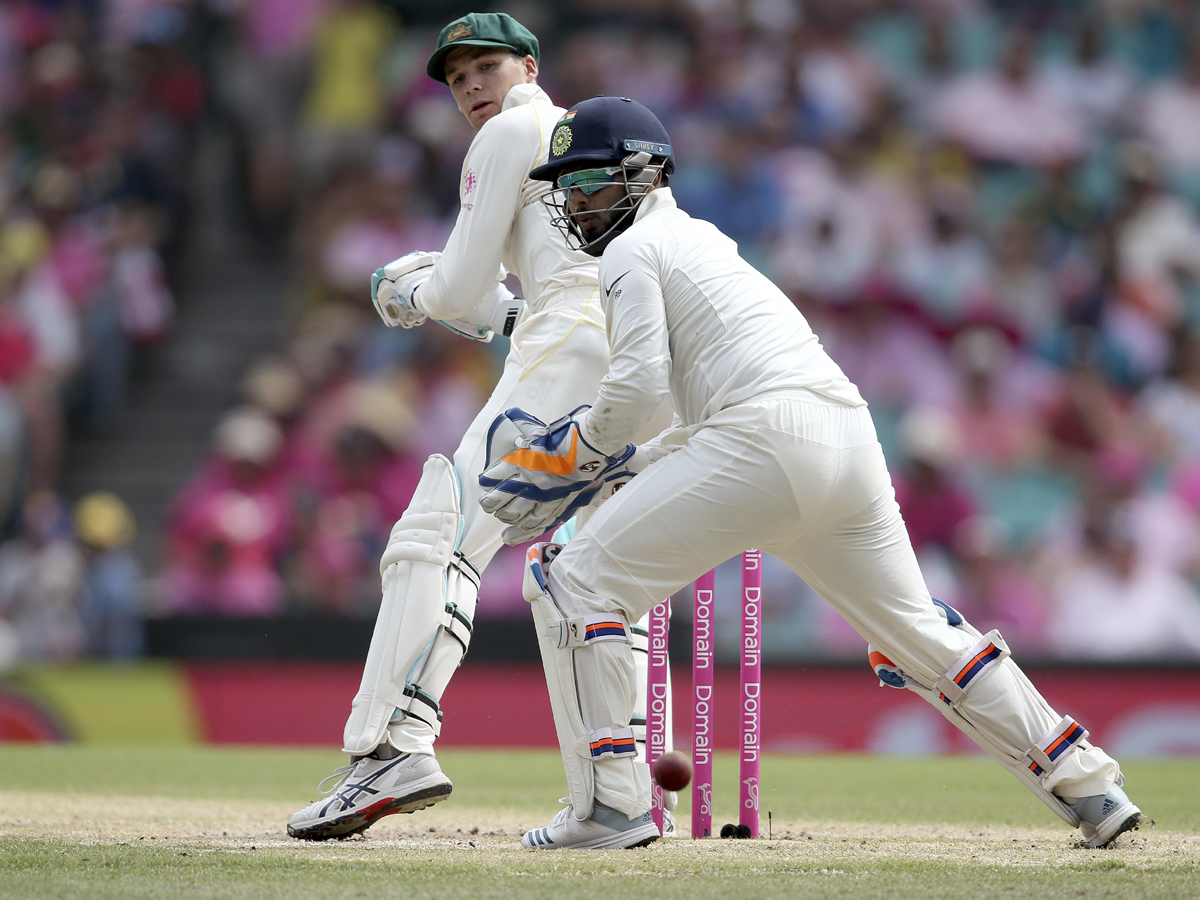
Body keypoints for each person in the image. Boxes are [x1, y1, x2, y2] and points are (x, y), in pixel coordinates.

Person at [477, 97, 1143, 851]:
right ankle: (1088, 782)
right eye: (565, 188)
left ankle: (610, 808)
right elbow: (686, 420)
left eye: (588, 181)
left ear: (645, 172)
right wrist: (607, 467)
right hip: (842, 435)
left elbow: (635, 394)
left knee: (570, 576)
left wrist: (573, 455)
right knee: (915, 633)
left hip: (759, 439)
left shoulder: (635, 251)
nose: (575, 203)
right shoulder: (707, 243)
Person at [287, 14, 672, 840]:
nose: (470, 89)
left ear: (527, 67)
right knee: (593, 576)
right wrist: (467, 303)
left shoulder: (512, 126)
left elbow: (460, 292)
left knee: (438, 531)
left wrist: (405, 288)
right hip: (639, 358)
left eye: (484, 67)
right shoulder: (578, 142)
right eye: (456, 78)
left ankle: (391, 747)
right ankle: (617, 795)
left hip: (566, 344)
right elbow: (506, 300)